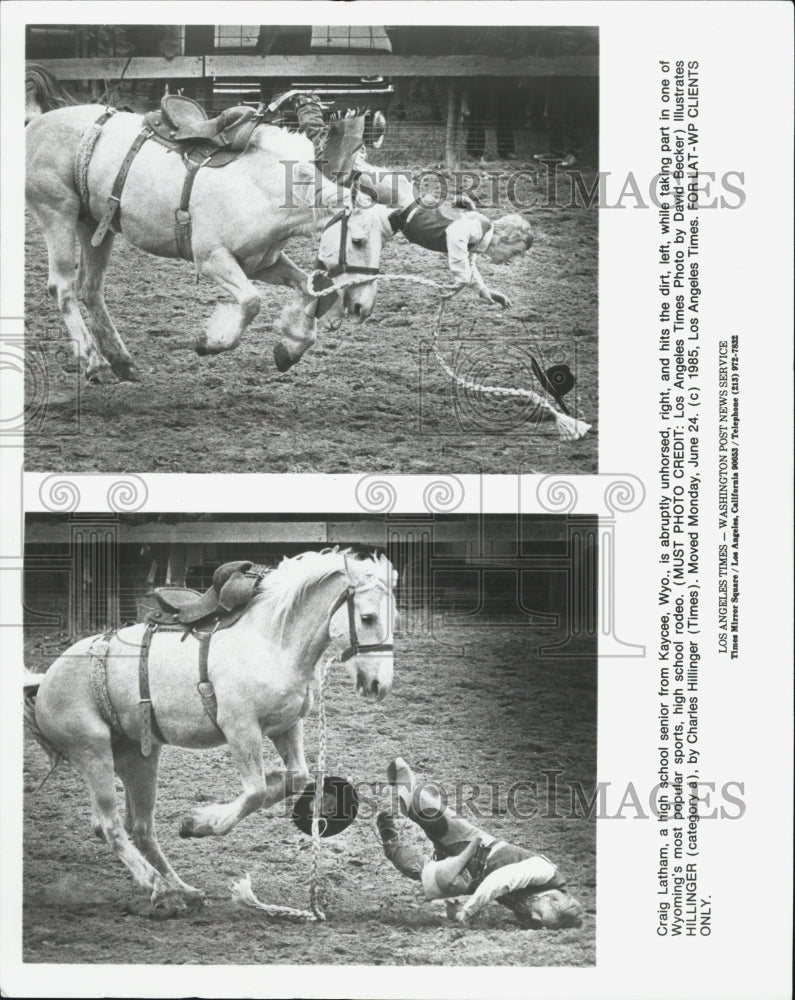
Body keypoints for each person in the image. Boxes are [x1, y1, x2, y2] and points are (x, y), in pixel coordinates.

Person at [376, 757, 584, 929]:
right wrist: (468, 911)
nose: (536, 918)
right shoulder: (546, 872)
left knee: (420, 872)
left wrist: (457, 908)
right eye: (541, 913)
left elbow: (490, 900)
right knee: (427, 812)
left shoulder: (537, 914)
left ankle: (389, 839)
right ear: (554, 898)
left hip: (471, 877)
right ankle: (412, 792)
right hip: (476, 847)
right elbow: (500, 881)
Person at [386, 201, 533, 309]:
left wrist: (482, 289)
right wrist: (461, 277)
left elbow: (468, 263)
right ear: (503, 238)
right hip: (401, 207)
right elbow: (456, 232)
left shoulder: (477, 240)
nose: (511, 259)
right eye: (514, 253)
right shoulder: (481, 226)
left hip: (399, 217)